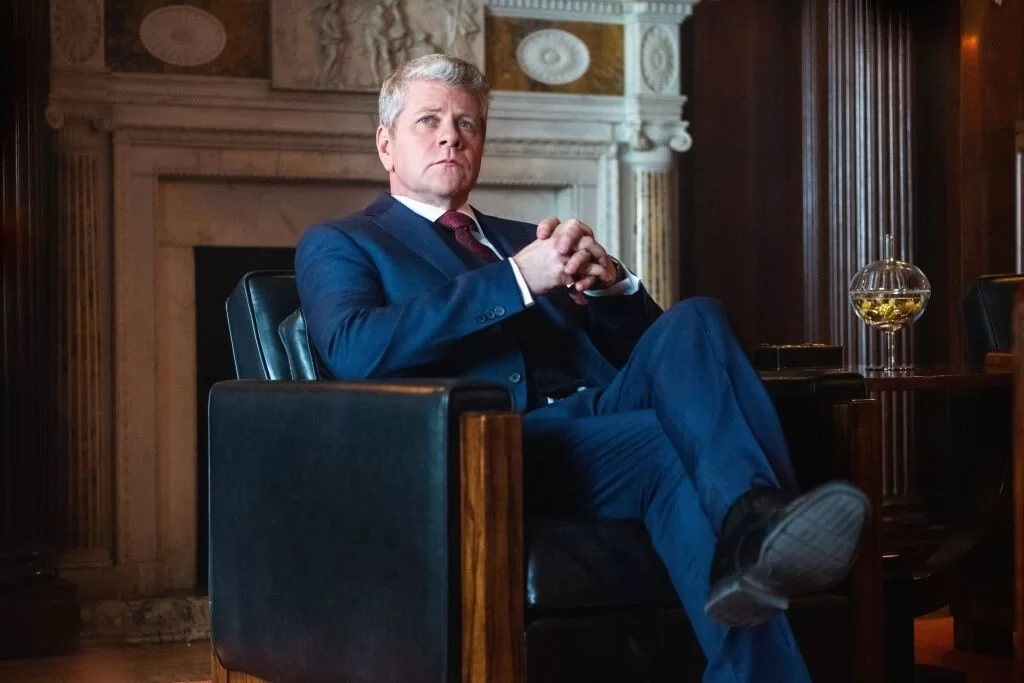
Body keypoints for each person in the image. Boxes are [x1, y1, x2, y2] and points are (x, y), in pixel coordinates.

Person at [295, 53, 869, 683]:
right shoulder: (344, 241)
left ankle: (753, 522)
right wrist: (517, 280)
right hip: (495, 447)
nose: (450, 136)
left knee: (696, 319)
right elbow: (352, 348)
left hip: (596, 415)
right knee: (670, 447)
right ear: (386, 144)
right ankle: (755, 532)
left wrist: (610, 288)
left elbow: (667, 363)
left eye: (467, 123)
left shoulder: (525, 236)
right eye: (428, 120)